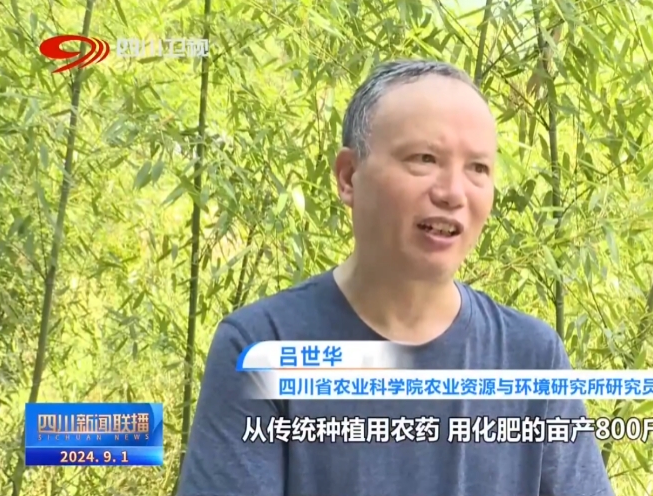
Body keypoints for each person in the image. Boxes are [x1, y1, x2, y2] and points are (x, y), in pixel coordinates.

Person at [177, 59, 614, 496]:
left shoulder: (532, 357)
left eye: (478, 168)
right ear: (348, 177)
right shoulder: (262, 349)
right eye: (425, 159)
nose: (453, 193)